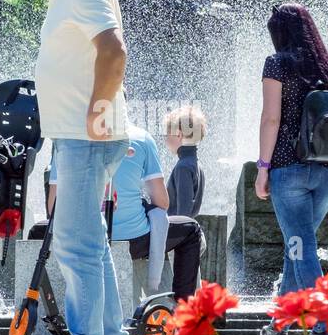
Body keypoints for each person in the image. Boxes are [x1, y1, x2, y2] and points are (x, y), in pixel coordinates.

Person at [30, 0, 131, 335]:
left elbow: (114, 50)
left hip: (83, 134)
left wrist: (96, 109)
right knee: (91, 241)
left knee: (73, 243)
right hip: (80, 135)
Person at [256, 4, 328, 335]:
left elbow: (270, 119)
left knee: (301, 247)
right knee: (298, 246)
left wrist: (263, 168)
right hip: (325, 172)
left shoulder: (277, 63)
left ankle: (323, 327)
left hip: (288, 169)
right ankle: (279, 325)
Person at [43, 123, 206, 304]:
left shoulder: (66, 141)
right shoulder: (141, 138)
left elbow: (53, 210)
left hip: (82, 240)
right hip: (134, 240)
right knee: (191, 230)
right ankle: (182, 307)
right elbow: (162, 202)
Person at [164, 105, 206, 218]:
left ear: (178, 134)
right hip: (187, 229)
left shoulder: (183, 167)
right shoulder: (196, 164)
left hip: (178, 231)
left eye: (167, 134)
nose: (166, 140)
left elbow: (183, 213)